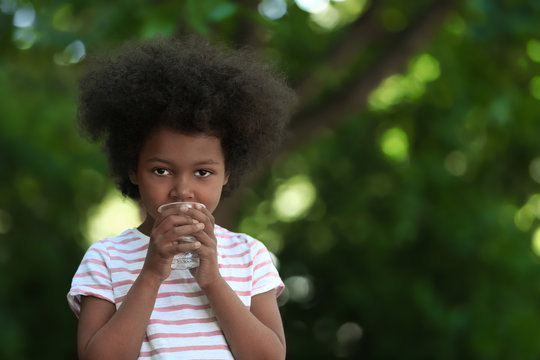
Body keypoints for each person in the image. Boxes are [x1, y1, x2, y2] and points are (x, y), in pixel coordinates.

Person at [67, 36, 296, 360]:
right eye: (161, 171)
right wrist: (151, 273)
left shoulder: (249, 256)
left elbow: (269, 356)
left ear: (227, 173)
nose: (182, 190)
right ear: (132, 169)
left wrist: (213, 280)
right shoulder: (106, 259)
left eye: (203, 172)